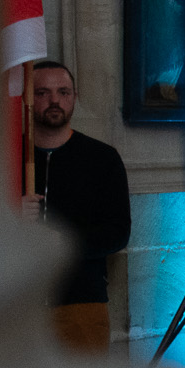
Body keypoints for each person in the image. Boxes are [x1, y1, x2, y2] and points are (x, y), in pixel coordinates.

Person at [24, 61, 132, 353]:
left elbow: (118, 232)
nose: (54, 100)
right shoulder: (7, 161)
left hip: (80, 302)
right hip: (16, 306)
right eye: (42, 93)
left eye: (63, 92)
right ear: (28, 99)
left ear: (75, 97)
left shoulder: (102, 159)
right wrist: (9, 214)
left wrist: (66, 242)